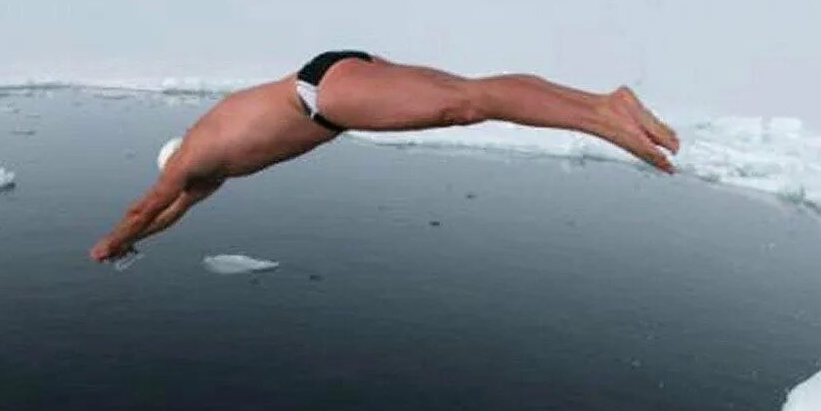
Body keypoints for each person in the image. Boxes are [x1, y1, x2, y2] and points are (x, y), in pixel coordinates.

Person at [88, 50, 681, 263]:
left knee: (464, 104)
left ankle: (599, 116)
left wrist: (112, 242)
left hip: (321, 93)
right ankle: (604, 104)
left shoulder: (192, 156)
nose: (179, 188)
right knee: (465, 97)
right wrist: (140, 242)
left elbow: (147, 207)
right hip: (333, 84)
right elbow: (170, 213)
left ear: (173, 163)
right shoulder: (206, 174)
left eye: (176, 178)